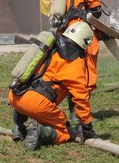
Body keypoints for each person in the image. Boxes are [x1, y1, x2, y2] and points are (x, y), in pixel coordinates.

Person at [8, 22, 98, 151]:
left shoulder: (50, 47)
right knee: (65, 132)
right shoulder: (74, 62)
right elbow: (81, 98)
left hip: (15, 95)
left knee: (31, 102)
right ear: (85, 41)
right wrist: (87, 126)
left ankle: (18, 128)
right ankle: (40, 131)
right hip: (36, 103)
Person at [53, 0, 103, 124]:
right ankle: (80, 117)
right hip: (80, 34)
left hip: (63, 34)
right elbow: (95, 10)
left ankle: (70, 114)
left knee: (68, 74)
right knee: (85, 74)